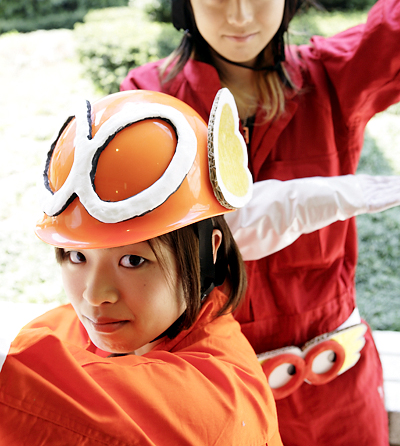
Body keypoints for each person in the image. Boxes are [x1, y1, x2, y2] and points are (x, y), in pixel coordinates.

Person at [121, 0, 400, 445]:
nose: (241, 16)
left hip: (341, 403)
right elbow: (122, 256)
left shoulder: (333, 80)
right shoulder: (148, 103)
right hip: (217, 409)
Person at [0, 89, 283, 446]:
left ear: (207, 254)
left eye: (133, 261)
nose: (95, 296)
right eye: (77, 256)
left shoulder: (222, 402)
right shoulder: (66, 330)